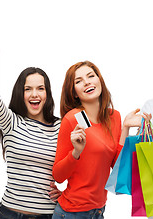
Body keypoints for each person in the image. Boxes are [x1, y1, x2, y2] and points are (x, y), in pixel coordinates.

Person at [0, 34, 62, 218]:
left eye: (40, 88)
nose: (34, 94)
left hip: (47, 215)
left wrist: (68, 194)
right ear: (20, 93)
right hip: (10, 214)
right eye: (28, 89)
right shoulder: (11, 122)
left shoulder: (59, 127)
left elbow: (80, 163)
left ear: (47, 93)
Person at [53, 61, 126, 219]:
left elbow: (117, 166)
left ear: (99, 80)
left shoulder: (114, 117)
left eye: (91, 76)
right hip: (71, 213)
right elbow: (58, 176)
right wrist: (76, 152)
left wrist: (125, 128)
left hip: (99, 211)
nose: (87, 82)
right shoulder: (73, 119)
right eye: (78, 81)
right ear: (74, 93)